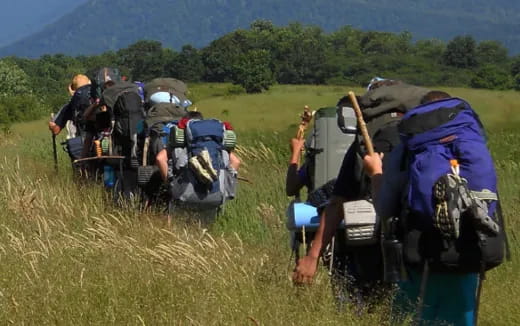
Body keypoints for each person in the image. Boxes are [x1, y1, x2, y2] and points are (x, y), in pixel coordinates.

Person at [293, 80, 431, 305]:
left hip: (372, 247)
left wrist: (312, 256)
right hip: (423, 245)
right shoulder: (424, 139)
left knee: (366, 306)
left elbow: (337, 203)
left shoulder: (365, 145)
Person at [363, 90, 491, 326]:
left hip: (420, 258)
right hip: (467, 258)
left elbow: (385, 208)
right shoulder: (471, 142)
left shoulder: (408, 147)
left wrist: (376, 174)